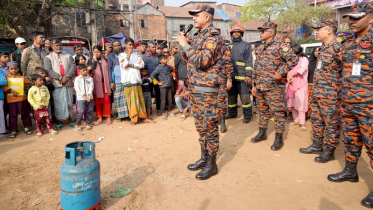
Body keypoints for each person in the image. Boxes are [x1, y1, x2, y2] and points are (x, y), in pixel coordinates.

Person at [327, 3, 373, 207]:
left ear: (371, 18)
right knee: (351, 140)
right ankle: (350, 171)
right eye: (350, 18)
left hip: (369, 106)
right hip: (348, 103)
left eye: (357, 18)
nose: (351, 22)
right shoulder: (347, 42)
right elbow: (340, 69)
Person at [177, 5, 230, 180]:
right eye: (192, 15)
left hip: (209, 91)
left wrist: (185, 46)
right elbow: (188, 59)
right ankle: (204, 157)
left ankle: (212, 164)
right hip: (197, 89)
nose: (193, 18)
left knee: (210, 128)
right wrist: (185, 44)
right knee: (201, 127)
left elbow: (202, 61)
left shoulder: (213, 36)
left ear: (207, 17)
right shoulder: (198, 36)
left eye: (196, 15)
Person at [300, 19, 342, 164]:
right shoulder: (322, 48)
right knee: (316, 120)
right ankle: (317, 145)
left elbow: (346, 71)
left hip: (331, 96)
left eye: (319, 29)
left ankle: (329, 151)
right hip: (318, 93)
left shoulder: (338, 47)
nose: (316, 32)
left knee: (331, 124)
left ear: (329, 30)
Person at [251, 22, 298, 151]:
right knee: (262, 111)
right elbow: (257, 66)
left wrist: (281, 72)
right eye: (260, 31)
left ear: (271, 33)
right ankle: (262, 132)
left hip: (274, 86)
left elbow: (293, 60)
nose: (260, 33)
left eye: (263, 31)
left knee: (277, 112)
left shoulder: (280, 45)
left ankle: (279, 138)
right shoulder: (260, 47)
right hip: (260, 85)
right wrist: (254, 84)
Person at [119, 38, 153, 125]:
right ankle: (133, 119)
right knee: (131, 101)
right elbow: (124, 65)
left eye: (132, 45)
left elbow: (142, 65)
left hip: (137, 81)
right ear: (125, 45)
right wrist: (128, 56)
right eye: (129, 45)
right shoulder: (121, 55)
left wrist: (131, 64)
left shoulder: (137, 55)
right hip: (128, 82)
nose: (131, 46)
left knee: (140, 100)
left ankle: (143, 117)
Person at [44, 38, 76, 129]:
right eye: (56, 45)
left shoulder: (68, 55)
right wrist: (60, 78)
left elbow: (73, 67)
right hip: (57, 83)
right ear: (52, 46)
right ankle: (59, 120)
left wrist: (67, 77)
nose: (59, 47)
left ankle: (70, 119)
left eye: (60, 45)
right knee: (58, 103)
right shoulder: (48, 57)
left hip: (68, 82)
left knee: (69, 102)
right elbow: (48, 70)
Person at [226, 24, 254, 127]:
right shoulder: (228, 45)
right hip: (231, 77)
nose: (236, 33)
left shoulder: (246, 45)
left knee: (245, 98)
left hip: (243, 77)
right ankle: (232, 113)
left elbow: (249, 60)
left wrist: (248, 75)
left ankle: (247, 116)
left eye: (238, 32)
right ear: (231, 34)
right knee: (231, 97)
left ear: (241, 34)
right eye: (234, 32)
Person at [2, 61, 33, 138]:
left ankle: (27, 128)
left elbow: (28, 83)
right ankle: (13, 130)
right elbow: (4, 87)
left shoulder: (22, 77)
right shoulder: (6, 78)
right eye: (11, 69)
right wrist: (11, 90)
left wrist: (25, 85)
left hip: (22, 98)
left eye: (15, 68)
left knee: (25, 113)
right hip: (11, 99)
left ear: (18, 69)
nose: (13, 70)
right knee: (13, 115)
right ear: (8, 69)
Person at [285, 44, 309, 131]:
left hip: (300, 84)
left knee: (300, 103)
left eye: (291, 50)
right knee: (292, 102)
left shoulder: (304, 59)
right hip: (291, 83)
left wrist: (292, 74)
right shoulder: (292, 59)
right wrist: (289, 77)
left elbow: (302, 69)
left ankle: (302, 123)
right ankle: (296, 120)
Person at [88, 45, 113, 125]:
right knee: (98, 102)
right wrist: (94, 61)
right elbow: (91, 71)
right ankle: (100, 117)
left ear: (101, 52)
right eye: (94, 52)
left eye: (98, 52)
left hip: (105, 84)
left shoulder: (105, 60)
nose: (96, 54)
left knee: (107, 101)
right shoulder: (90, 61)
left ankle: (108, 117)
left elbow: (109, 70)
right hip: (96, 84)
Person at [108, 40, 128, 122]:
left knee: (126, 98)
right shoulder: (111, 56)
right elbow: (109, 69)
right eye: (115, 46)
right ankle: (120, 115)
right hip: (117, 80)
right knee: (118, 99)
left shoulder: (125, 54)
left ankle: (127, 115)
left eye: (118, 45)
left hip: (126, 79)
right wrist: (111, 82)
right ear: (113, 47)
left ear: (121, 45)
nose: (117, 47)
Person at [150, 54, 174, 120]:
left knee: (169, 100)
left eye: (166, 59)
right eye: (164, 59)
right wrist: (157, 83)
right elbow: (152, 75)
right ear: (160, 61)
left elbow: (172, 70)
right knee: (163, 100)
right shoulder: (158, 68)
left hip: (169, 85)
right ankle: (163, 113)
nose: (166, 60)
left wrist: (170, 77)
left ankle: (169, 112)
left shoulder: (168, 67)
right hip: (163, 87)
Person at [141, 41, 160, 115]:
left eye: (155, 47)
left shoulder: (158, 56)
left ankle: (158, 109)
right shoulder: (144, 57)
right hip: (147, 80)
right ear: (148, 48)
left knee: (158, 94)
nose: (155, 48)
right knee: (148, 95)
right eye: (153, 47)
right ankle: (149, 110)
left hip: (156, 78)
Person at [74, 64, 94, 131]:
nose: (85, 71)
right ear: (79, 71)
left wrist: (89, 95)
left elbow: (91, 87)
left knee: (89, 111)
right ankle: (77, 125)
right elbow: (77, 89)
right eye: (83, 70)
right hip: (81, 98)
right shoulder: (77, 79)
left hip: (90, 98)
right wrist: (84, 96)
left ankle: (88, 124)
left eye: (86, 70)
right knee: (81, 111)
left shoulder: (90, 78)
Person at [305, 47, 320, 119]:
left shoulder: (323, 62)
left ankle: (318, 117)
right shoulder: (309, 62)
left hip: (320, 85)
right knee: (309, 100)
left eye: (319, 51)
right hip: (310, 84)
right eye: (316, 51)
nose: (317, 52)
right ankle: (309, 115)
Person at [0, 68, 6, 140]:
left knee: (0, 115)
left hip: (0, 96)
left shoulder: (0, 71)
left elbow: (4, 81)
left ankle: (2, 131)